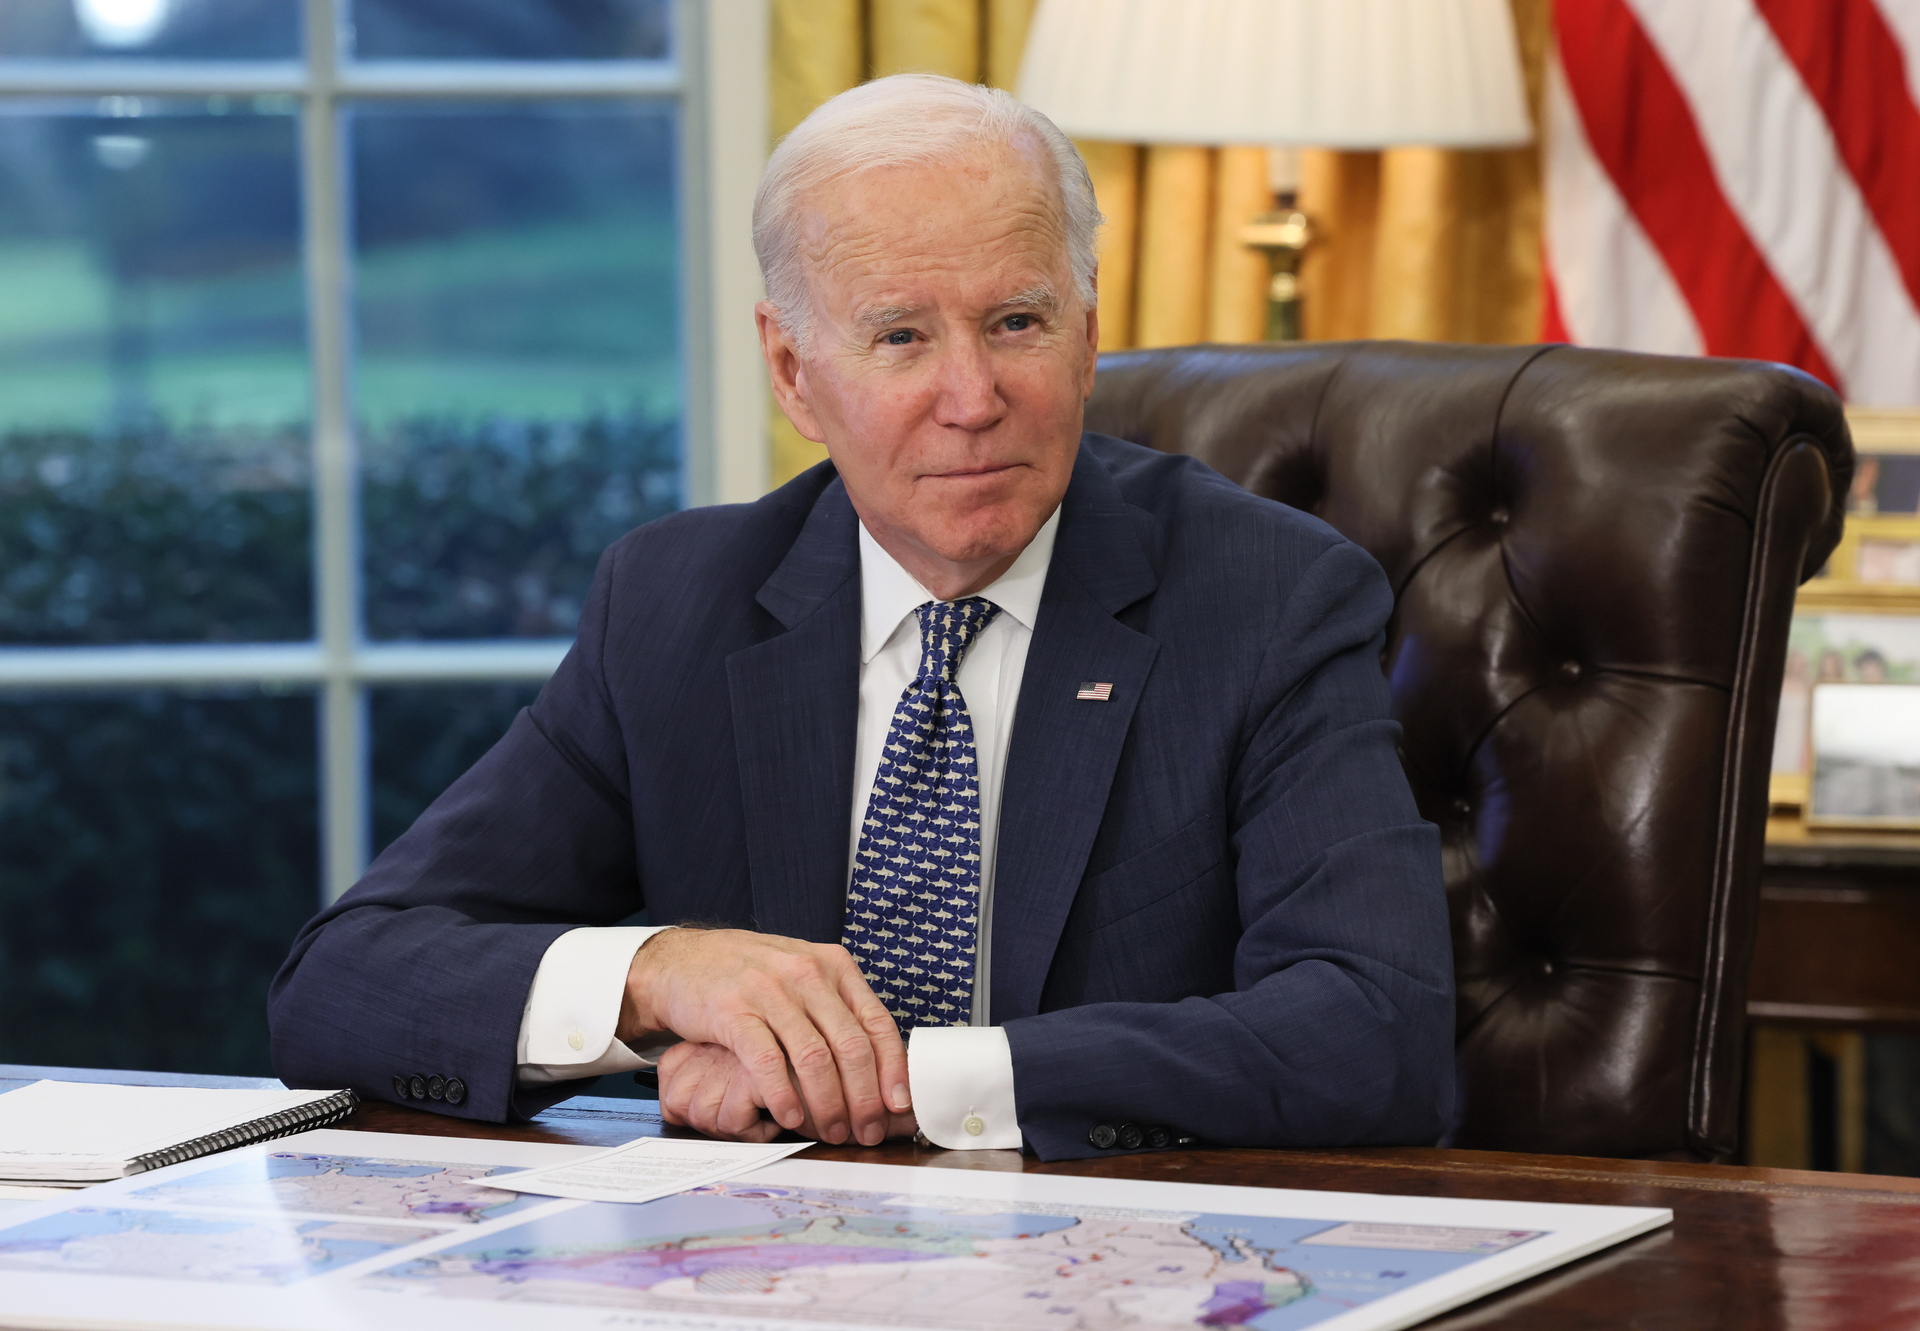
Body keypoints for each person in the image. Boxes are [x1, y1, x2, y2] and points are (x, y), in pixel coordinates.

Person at [269, 74, 1454, 1162]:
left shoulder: (1270, 598)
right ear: (792, 371)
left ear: (1089, 335)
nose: (972, 399)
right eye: (901, 337)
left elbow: (1377, 1029)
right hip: (761, 1262)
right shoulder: (676, 602)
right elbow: (339, 980)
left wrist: (902, 1080)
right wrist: (661, 973)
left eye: (1018, 322)